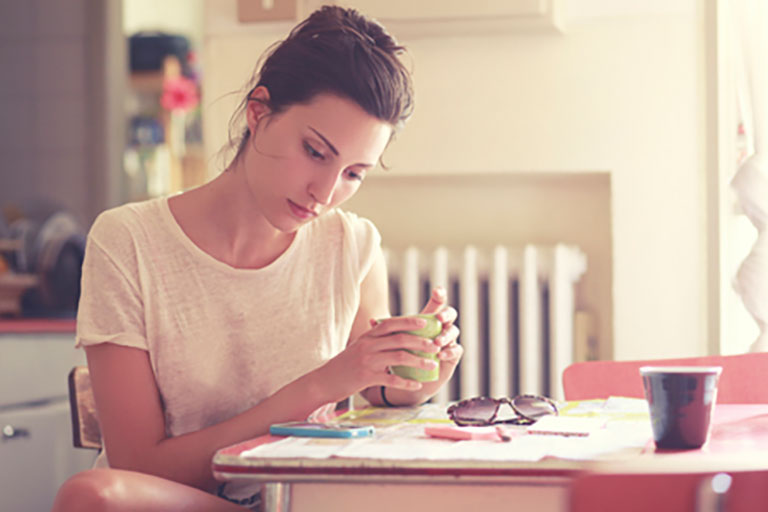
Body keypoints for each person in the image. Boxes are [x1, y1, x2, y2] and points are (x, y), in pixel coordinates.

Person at [52, 5, 462, 511]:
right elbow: (140, 468)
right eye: (315, 151)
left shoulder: (352, 245)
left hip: (302, 500)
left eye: (354, 173)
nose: (325, 192)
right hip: (175, 502)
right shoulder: (127, 242)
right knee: (90, 496)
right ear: (258, 112)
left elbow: (376, 395)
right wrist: (322, 384)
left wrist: (412, 378)